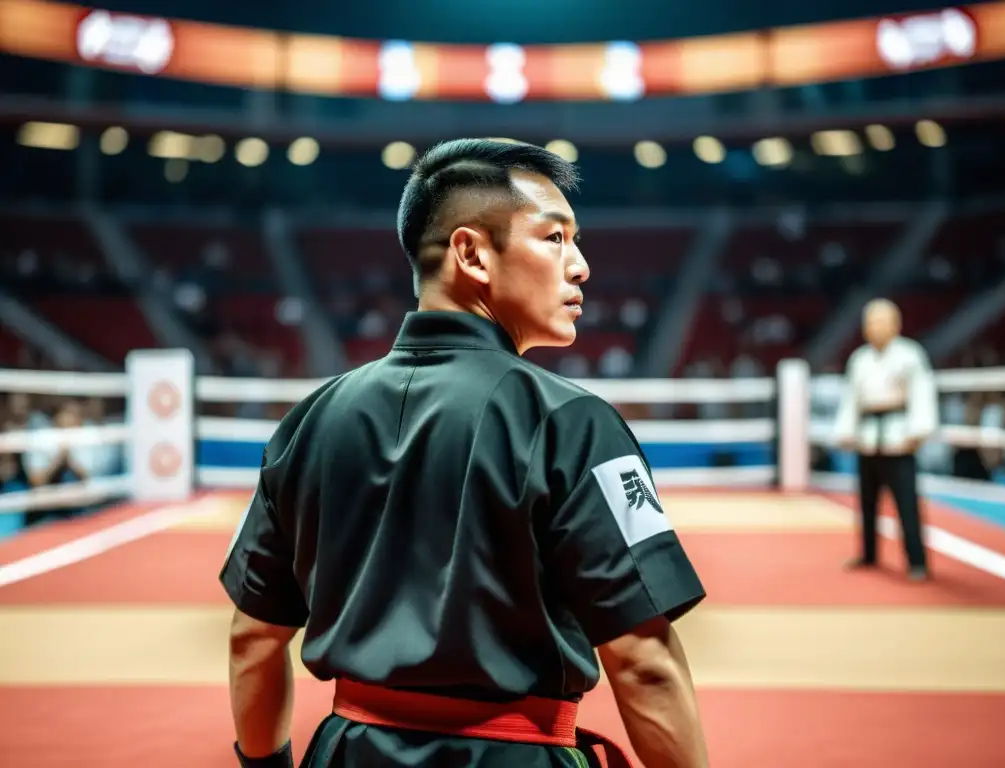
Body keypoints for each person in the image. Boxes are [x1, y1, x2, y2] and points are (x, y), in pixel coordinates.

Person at [220, 139, 710, 768]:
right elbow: (644, 665)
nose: (581, 265)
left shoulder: (310, 421)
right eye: (556, 238)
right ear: (472, 254)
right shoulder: (572, 421)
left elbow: (254, 640)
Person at [833, 298, 939, 581]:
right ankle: (869, 553)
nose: (874, 327)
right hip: (868, 437)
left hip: (899, 435)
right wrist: (846, 431)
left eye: (880, 321)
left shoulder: (910, 355)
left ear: (896, 324)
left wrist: (919, 432)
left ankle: (916, 561)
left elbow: (922, 394)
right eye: (870, 321)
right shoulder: (860, 358)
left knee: (906, 502)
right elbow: (851, 399)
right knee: (867, 502)